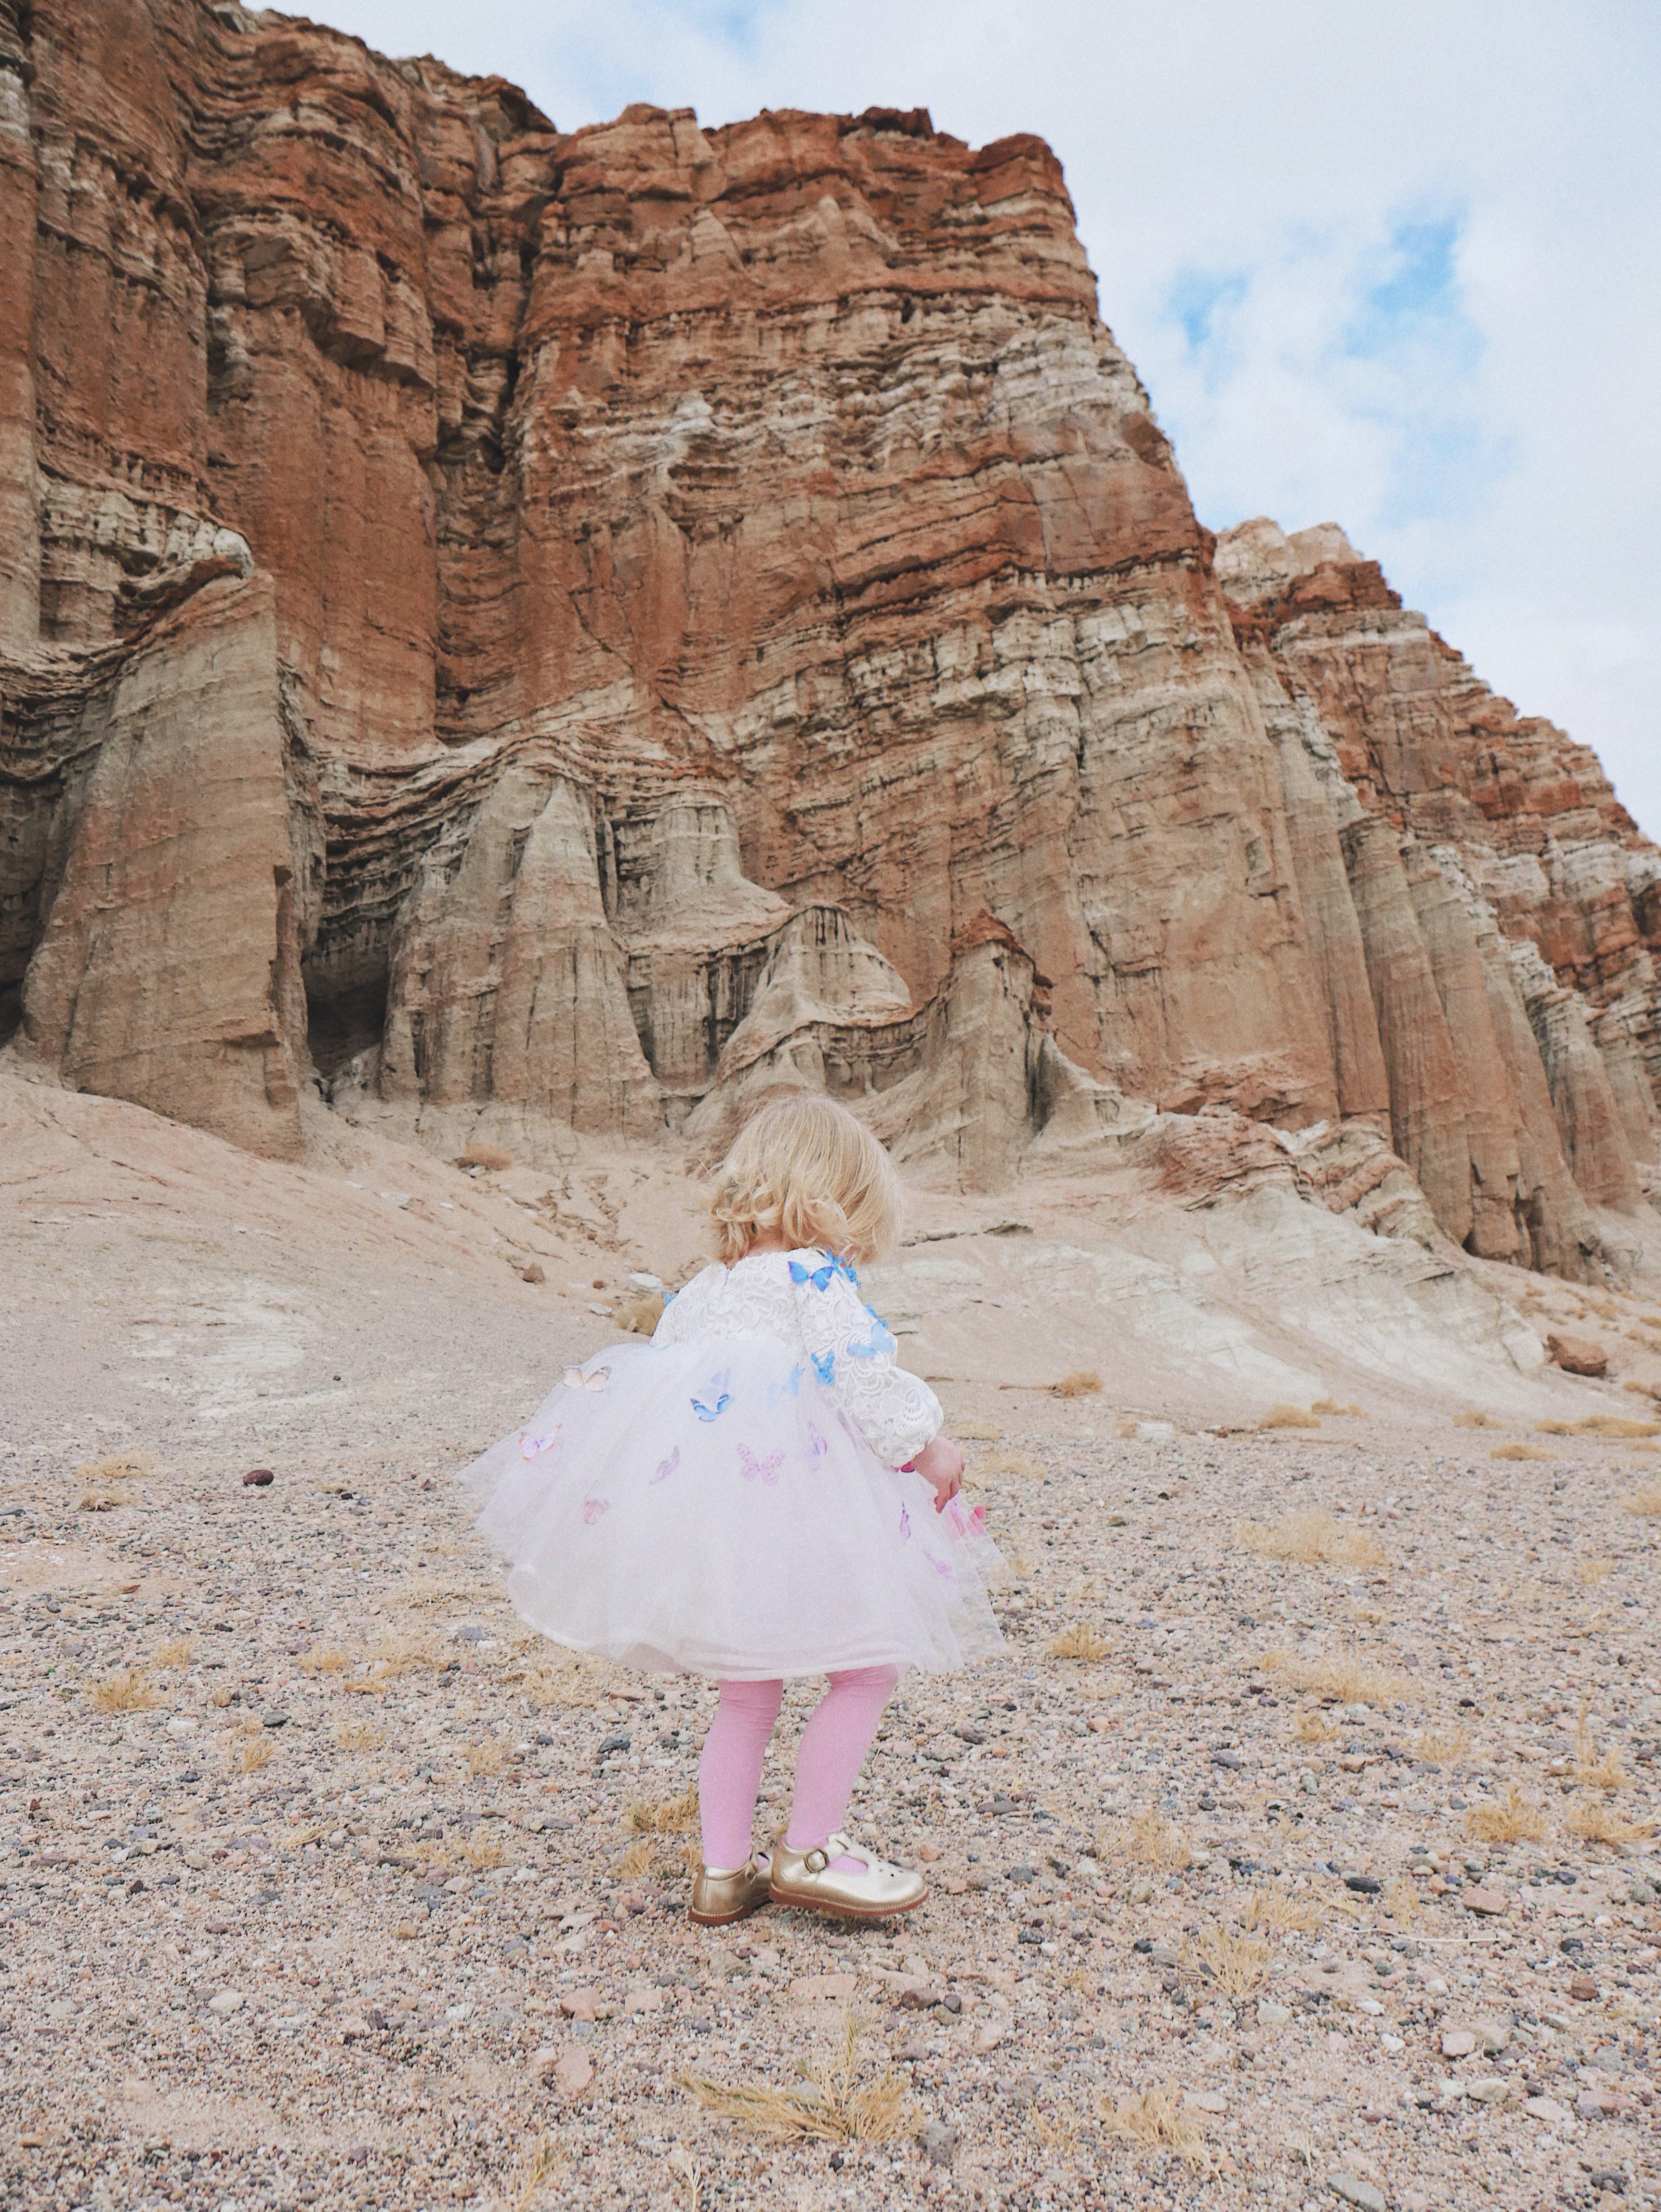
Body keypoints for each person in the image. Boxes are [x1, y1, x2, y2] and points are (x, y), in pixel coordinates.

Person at [461, 1092, 1004, 1924]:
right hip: (804, 1507)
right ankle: (811, 1849)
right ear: (832, 1198)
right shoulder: (815, 1275)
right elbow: (860, 1380)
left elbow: (668, 1391)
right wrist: (931, 1450)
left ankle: (724, 1873)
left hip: (727, 1517)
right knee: (866, 1666)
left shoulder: (706, 1290)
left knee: (749, 1693)